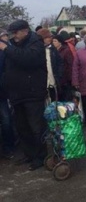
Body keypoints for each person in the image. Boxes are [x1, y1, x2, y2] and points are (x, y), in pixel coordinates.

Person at [0, 20, 48, 170]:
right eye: (12, 33)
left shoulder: (36, 43)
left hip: (33, 93)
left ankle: (40, 156)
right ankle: (29, 154)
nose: (13, 36)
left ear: (25, 31)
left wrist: (6, 48)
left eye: (16, 33)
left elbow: (27, 59)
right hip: (16, 93)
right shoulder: (14, 45)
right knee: (22, 127)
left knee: (36, 127)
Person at [0, 29, 16, 159]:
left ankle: (9, 147)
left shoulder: (3, 52)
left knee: (6, 121)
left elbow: (7, 70)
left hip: (2, 93)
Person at [36, 28, 63, 102]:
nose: (50, 39)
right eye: (48, 37)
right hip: (41, 84)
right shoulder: (36, 50)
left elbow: (59, 62)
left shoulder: (52, 49)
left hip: (53, 82)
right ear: (42, 38)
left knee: (54, 104)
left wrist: (59, 75)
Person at [52, 34, 74, 101]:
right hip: (57, 79)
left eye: (55, 41)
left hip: (65, 80)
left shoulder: (66, 51)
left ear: (60, 42)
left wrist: (70, 79)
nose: (53, 43)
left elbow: (70, 64)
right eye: (53, 41)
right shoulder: (53, 51)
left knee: (65, 98)